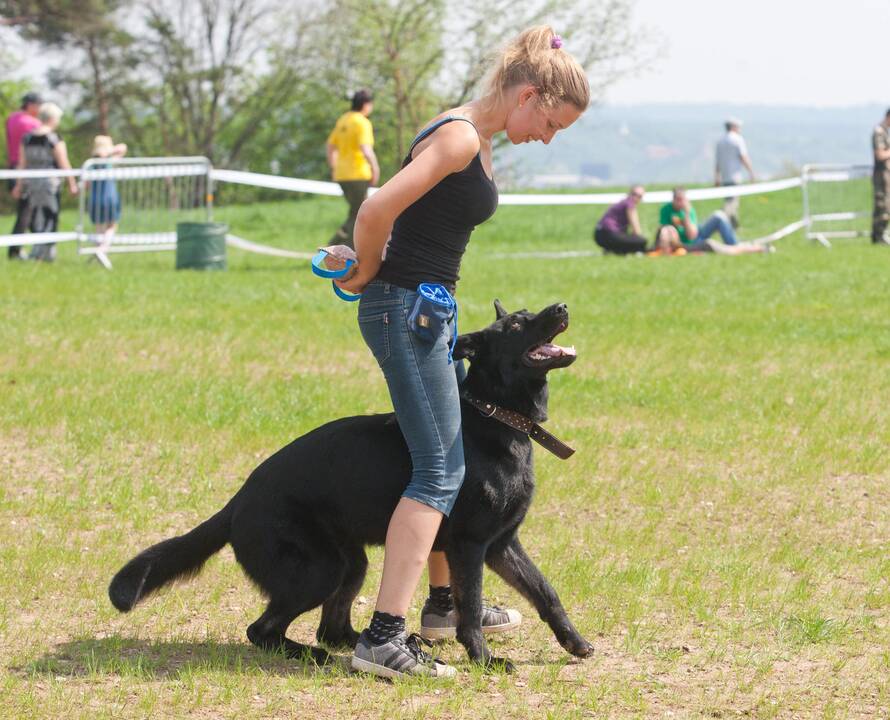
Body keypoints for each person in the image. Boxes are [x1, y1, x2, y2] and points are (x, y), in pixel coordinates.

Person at [332, 26, 589, 679]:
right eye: (552, 122)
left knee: (450, 458)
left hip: (427, 312)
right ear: (528, 94)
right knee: (441, 471)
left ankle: (443, 607)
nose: (550, 137)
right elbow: (377, 208)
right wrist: (363, 272)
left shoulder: (475, 137)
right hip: (402, 310)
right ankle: (382, 639)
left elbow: (416, 221)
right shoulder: (460, 137)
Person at [11, 102, 78, 262]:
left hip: (31, 184)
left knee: (35, 217)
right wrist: (72, 183)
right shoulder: (53, 138)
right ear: (53, 118)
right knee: (50, 215)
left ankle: (38, 250)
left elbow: (22, 164)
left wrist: (18, 185)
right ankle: (45, 253)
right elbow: (63, 162)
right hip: (49, 184)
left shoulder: (27, 138)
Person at [326, 89, 380, 249]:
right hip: (358, 173)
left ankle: (337, 245)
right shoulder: (362, 122)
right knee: (359, 214)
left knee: (354, 212)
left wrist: (334, 166)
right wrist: (375, 168)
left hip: (342, 174)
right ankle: (344, 249)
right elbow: (365, 148)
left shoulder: (343, 120)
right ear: (366, 104)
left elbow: (330, 146)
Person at [654, 187, 768, 256]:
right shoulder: (666, 210)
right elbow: (667, 234)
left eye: (683, 199)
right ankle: (751, 247)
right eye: (678, 200)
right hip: (689, 244)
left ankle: (735, 244)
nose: (681, 202)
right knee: (717, 246)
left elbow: (693, 234)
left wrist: (687, 214)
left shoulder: (688, 209)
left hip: (696, 237)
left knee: (718, 216)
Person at [4, 91, 42, 260]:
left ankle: (36, 245)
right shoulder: (33, 123)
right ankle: (15, 250)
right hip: (27, 168)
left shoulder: (11, 119)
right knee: (26, 210)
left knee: (27, 209)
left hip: (13, 165)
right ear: (31, 105)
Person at [87, 135, 128, 245]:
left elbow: (87, 184)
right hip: (110, 198)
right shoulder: (109, 162)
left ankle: (99, 249)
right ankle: (102, 250)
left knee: (98, 228)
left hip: (94, 199)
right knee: (112, 226)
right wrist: (109, 151)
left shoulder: (91, 164)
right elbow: (123, 148)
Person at [714, 117, 754, 229]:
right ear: (733, 127)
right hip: (735, 176)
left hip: (724, 177)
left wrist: (717, 177)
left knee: (730, 202)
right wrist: (751, 172)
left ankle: (734, 227)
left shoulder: (720, 141)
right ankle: (719, 220)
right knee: (732, 204)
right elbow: (743, 157)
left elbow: (718, 161)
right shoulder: (738, 139)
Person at [594, 185, 648, 254]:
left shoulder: (622, 202)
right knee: (642, 241)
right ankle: (618, 250)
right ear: (630, 193)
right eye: (634, 194)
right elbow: (636, 229)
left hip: (599, 235)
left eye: (639, 196)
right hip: (609, 234)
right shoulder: (630, 204)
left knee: (627, 238)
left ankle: (613, 250)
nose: (636, 197)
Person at [871, 108, 890, 246]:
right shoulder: (879, 132)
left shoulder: (885, 132)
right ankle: (877, 237)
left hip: (886, 176)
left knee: (886, 207)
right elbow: (880, 155)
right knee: (881, 207)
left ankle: (880, 236)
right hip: (881, 177)